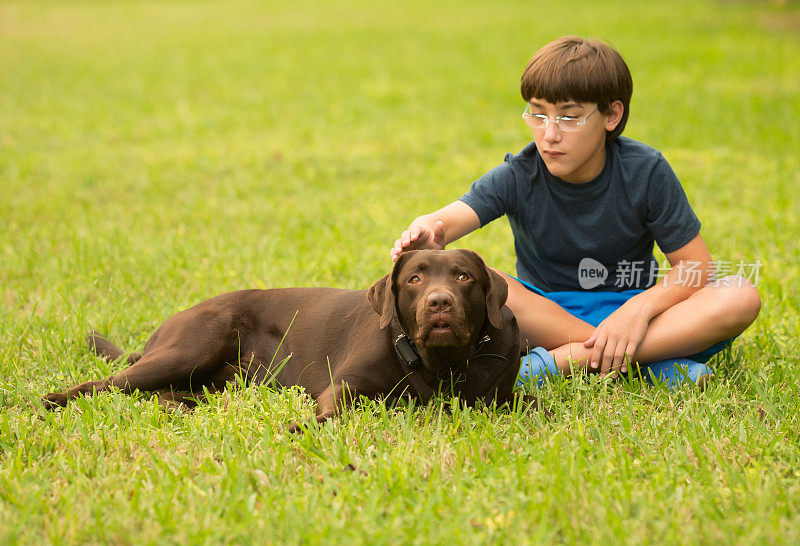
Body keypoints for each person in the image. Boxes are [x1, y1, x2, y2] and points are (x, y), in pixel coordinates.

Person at [390, 36, 761, 388]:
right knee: (489, 281)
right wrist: (426, 229)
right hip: (546, 316)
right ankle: (654, 364)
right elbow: (447, 220)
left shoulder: (645, 171)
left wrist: (638, 310)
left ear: (611, 115)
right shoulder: (519, 173)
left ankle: (560, 363)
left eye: (569, 118)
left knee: (739, 294)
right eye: (538, 115)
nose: (550, 134)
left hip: (636, 311)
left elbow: (695, 267)